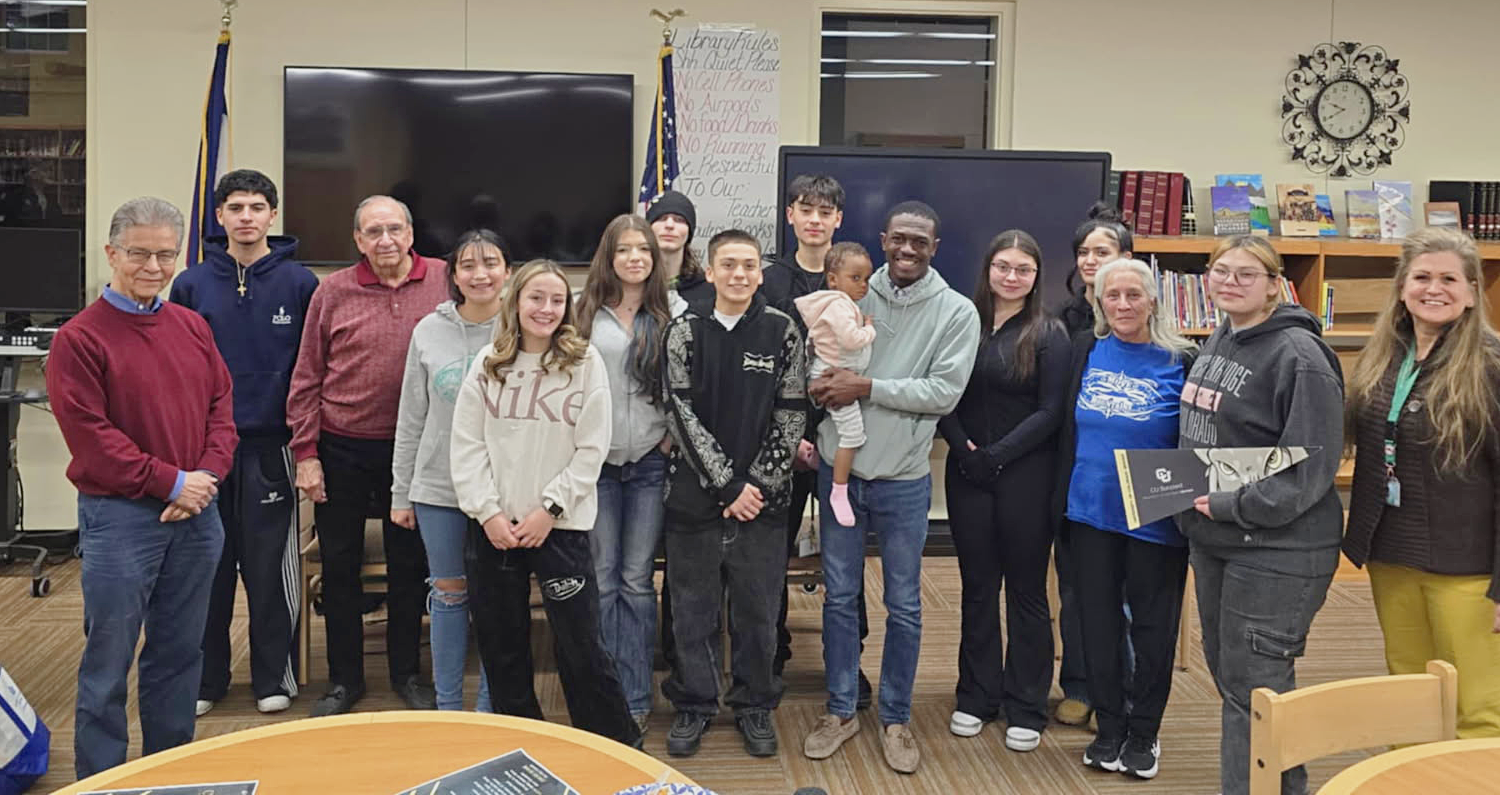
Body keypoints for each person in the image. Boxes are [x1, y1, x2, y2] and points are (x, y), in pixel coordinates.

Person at [48, 197, 237, 777]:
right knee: (108, 663)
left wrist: (203, 481)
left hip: (196, 518)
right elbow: (92, 438)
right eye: (138, 254)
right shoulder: (79, 339)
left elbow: (221, 408)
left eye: (164, 254)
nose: (153, 266)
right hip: (121, 519)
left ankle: (169, 774)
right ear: (111, 253)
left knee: (180, 655)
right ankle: (102, 781)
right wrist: (171, 483)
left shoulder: (191, 325)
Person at [803, 201, 981, 774]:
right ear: (883, 240)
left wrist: (866, 386)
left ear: (935, 246)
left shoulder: (956, 312)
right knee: (839, 598)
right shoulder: (852, 292)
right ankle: (840, 710)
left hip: (904, 481)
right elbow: (821, 361)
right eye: (898, 239)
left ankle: (897, 718)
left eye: (919, 243)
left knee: (904, 604)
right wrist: (823, 386)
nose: (907, 250)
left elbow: (943, 393)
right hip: (841, 478)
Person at [1178, 235, 1344, 795]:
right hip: (1219, 537)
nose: (1229, 282)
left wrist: (1230, 503)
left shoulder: (1299, 355)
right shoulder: (1225, 335)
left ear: (1276, 283)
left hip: (1279, 548)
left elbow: (1309, 468)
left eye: (1246, 274)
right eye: (1220, 271)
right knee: (1244, 688)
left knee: (1254, 693)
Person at [448, 259, 639, 746]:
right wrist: (487, 511)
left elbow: (592, 448)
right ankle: (525, 747)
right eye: (537, 298)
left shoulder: (584, 362)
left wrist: (549, 510)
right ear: (516, 301)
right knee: (503, 646)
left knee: (581, 647)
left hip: (561, 527)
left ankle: (613, 745)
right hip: (494, 529)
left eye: (557, 300)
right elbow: (466, 446)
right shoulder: (488, 362)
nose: (547, 309)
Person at [286, 194, 444, 716]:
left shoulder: (446, 281)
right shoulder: (332, 291)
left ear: (411, 232)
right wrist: (305, 453)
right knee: (339, 565)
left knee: (409, 565)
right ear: (357, 240)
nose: (385, 241)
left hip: (417, 450)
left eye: (394, 229)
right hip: (343, 445)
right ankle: (344, 681)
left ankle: (406, 674)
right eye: (373, 232)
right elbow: (307, 375)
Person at [170, 169, 318, 718]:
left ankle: (272, 677)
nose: (247, 217)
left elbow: (310, 372)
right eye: (236, 207)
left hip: (271, 448)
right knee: (206, 567)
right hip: (207, 452)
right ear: (220, 216)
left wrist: (305, 447)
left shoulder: (301, 284)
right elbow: (179, 369)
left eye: (258, 207)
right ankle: (207, 678)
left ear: (273, 216)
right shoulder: (190, 283)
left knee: (268, 570)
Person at [1343, 228, 1500, 738]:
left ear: (1473, 292)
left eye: (1450, 279)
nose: (1435, 289)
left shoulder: (1491, 368)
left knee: (1478, 707)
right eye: (1422, 277)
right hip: (1392, 551)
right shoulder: (1386, 356)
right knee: (1407, 694)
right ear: (1402, 288)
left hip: (1468, 567)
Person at [659, 229, 807, 758]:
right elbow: (680, 413)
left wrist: (757, 486)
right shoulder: (684, 331)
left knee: (758, 613)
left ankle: (754, 706)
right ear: (713, 271)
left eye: (748, 265)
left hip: (764, 504)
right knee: (692, 611)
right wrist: (726, 484)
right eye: (729, 265)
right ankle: (696, 703)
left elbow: (792, 413)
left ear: (759, 273)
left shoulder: (782, 332)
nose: (739, 274)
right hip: (695, 500)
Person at [1057, 258, 1196, 778]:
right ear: (1098, 301)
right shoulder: (1084, 350)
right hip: (1090, 511)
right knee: (1097, 624)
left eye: (1132, 296)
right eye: (1110, 296)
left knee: (1154, 630)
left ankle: (1144, 733)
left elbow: (1198, 443)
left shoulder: (1183, 358)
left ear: (1153, 300)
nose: (1121, 305)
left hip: (1155, 515)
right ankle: (1110, 727)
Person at [936, 230, 1068, 753]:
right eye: (1002, 266)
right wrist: (966, 451)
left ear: (1036, 277)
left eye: (1023, 269)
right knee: (976, 589)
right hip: (967, 472)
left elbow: (1051, 411)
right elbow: (940, 392)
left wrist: (997, 454)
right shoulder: (961, 322)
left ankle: (1027, 705)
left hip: (1025, 476)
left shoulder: (1048, 333)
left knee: (1027, 593)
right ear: (987, 268)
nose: (1011, 277)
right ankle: (976, 695)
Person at [760, 174, 872, 705]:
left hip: (839, 433)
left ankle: (846, 661)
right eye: (805, 209)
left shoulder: (852, 276)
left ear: (838, 221)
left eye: (825, 212)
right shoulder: (769, 279)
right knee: (773, 551)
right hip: (780, 437)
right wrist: (789, 434)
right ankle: (771, 650)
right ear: (790, 215)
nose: (814, 219)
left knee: (843, 553)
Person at [391, 229, 511, 713]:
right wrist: (402, 493)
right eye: (468, 265)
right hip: (438, 487)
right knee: (447, 594)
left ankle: (488, 706)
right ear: (452, 274)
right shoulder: (428, 330)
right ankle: (447, 708)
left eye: (491, 263)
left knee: (494, 599)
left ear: (507, 270)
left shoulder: (524, 326)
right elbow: (410, 417)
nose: (480, 274)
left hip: (503, 491)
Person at [574, 214, 685, 734]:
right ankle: (606, 696)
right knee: (601, 581)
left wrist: (666, 436)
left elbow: (689, 384)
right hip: (595, 467)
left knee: (637, 581)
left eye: (643, 249)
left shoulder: (673, 311)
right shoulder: (583, 312)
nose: (636, 258)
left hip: (647, 464)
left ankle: (637, 697)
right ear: (609, 257)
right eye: (624, 250)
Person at [1053, 202, 1135, 727]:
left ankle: (1119, 693)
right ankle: (1079, 685)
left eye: (1101, 252)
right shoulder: (1062, 322)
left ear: (1127, 258)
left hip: (1125, 480)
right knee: (1075, 590)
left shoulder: (1142, 321)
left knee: (1123, 595)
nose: (1089, 261)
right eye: (1083, 252)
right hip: (1073, 475)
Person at [794, 241, 876, 527]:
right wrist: (869, 329)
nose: (863, 286)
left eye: (866, 279)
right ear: (832, 279)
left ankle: (814, 455)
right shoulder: (839, 306)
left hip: (829, 374)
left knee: (836, 428)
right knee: (853, 435)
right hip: (832, 379)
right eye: (855, 278)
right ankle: (838, 491)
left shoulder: (838, 303)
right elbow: (852, 340)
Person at [648, 190, 712, 304]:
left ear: (689, 231)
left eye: (679, 220)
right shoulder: (634, 287)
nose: (669, 225)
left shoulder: (709, 291)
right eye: (661, 218)